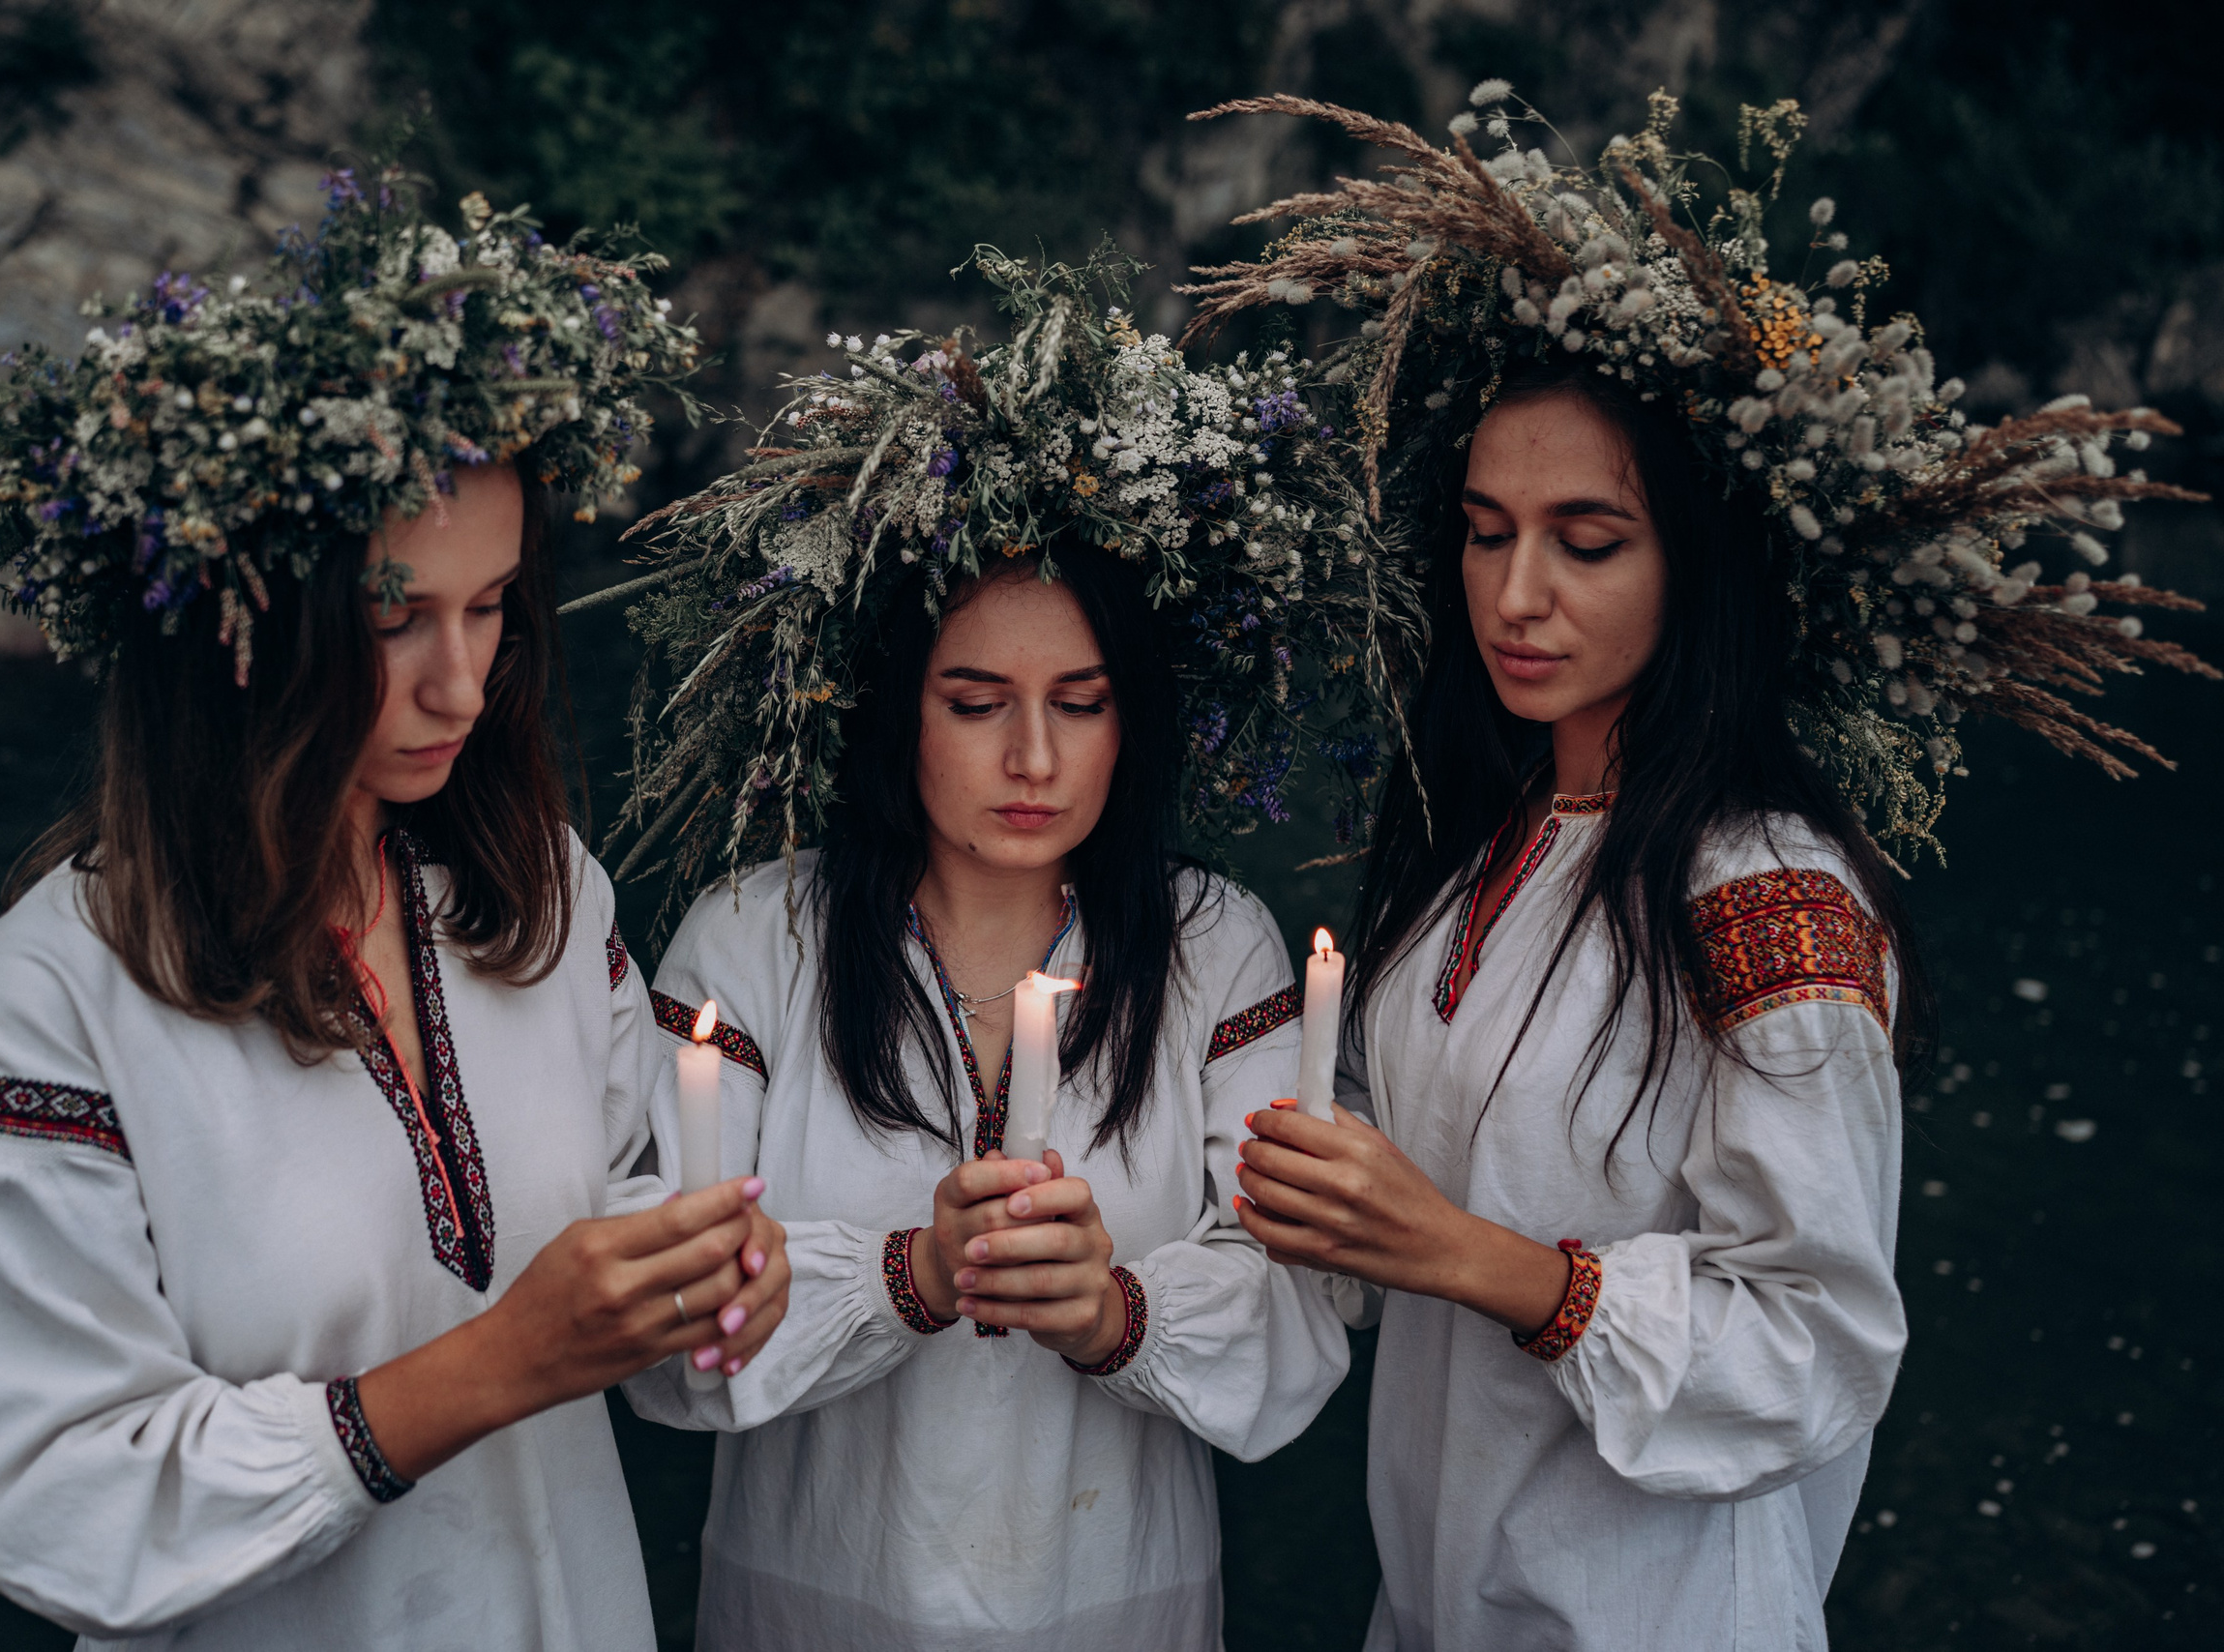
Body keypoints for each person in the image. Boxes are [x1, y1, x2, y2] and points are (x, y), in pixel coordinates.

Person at [1193, 88, 2214, 1650]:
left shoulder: (1766, 900)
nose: (1514, 594)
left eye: (1586, 541)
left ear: (1701, 562)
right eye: (1484, 531)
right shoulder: (1492, 837)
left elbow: (1817, 1342)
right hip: (1440, 1599)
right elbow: (1408, 1159)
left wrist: (1469, 1257)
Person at [0, 172, 786, 1650]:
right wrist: (494, 1364)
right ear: (234, 627)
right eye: (393, 619)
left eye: (493, 604)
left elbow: (614, 1189)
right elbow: (37, 1485)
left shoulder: (541, 890)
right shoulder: (57, 1001)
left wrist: (697, 1268)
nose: (463, 682)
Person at [607, 251, 1405, 1650]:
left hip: (1116, 1603)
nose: (1033, 758)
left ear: (1132, 718)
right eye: (976, 702)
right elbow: (657, 1331)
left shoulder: (1211, 944)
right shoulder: (759, 936)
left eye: (1080, 704)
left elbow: (1308, 1307)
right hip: (819, 1603)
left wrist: (1112, 1313)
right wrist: (905, 1278)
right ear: (891, 707)